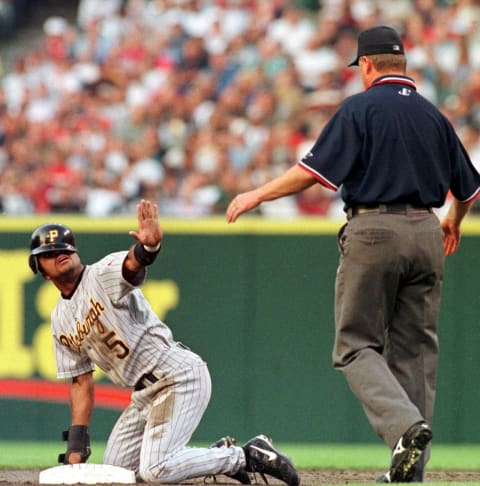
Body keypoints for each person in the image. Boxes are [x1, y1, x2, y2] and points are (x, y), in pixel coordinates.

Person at [226, 26, 480, 483]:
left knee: (354, 346)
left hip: (375, 229)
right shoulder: (434, 117)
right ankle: (410, 471)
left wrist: (256, 195)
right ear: (402, 64)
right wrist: (454, 221)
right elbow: (469, 187)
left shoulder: (360, 108)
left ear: (366, 65)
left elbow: (312, 173)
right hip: (427, 229)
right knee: (417, 355)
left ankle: (405, 428)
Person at [28, 198, 300, 486]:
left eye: (66, 247)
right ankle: (214, 455)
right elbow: (81, 383)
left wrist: (148, 248)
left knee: (155, 470)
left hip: (176, 376)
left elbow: (132, 265)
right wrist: (76, 446)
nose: (61, 253)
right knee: (117, 475)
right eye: (51, 251)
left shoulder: (101, 273)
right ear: (41, 270)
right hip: (143, 396)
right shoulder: (59, 320)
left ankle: (246, 456)